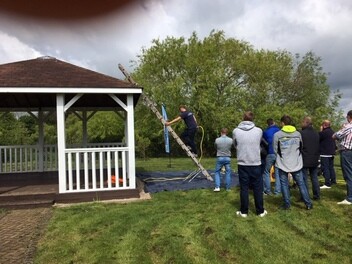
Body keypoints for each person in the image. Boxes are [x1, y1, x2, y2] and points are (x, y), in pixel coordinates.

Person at [273, 115, 313, 210]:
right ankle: (308, 204)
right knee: (301, 183)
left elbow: (275, 150)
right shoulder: (298, 134)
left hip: (283, 163)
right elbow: (301, 147)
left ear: (282, 123)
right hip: (296, 163)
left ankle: (287, 204)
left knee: (284, 184)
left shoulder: (278, 135)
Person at [233, 111, 267, 217]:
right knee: (258, 188)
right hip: (255, 162)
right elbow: (260, 144)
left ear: (243, 118)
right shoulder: (259, 131)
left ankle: (244, 212)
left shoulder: (236, 131)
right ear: (252, 119)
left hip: (243, 162)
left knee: (244, 188)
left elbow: (235, 145)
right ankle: (260, 211)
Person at [332, 110, 352, 205]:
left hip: (347, 152)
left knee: (348, 174)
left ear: (349, 117)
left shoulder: (348, 127)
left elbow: (335, 136)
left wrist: (341, 128)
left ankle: (350, 198)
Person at [300, 116, 320, 200]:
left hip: (305, 158)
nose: (301, 124)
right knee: (314, 178)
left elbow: (300, 146)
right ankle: (316, 195)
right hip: (315, 158)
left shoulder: (302, 133)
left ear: (307, 122)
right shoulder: (316, 133)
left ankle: (305, 196)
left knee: (304, 178)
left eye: (302, 122)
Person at [262, 118, 281, 195]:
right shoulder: (279, 130)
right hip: (279, 153)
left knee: (266, 171)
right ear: (274, 122)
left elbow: (263, 142)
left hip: (270, 152)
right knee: (277, 172)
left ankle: (267, 190)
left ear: (268, 124)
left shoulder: (266, 132)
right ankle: (277, 191)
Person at [319, 120, 337, 189]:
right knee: (331, 167)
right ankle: (333, 180)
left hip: (325, 153)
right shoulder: (332, 132)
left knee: (325, 168)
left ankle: (327, 183)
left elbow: (318, 138)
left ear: (324, 125)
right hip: (331, 152)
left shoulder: (323, 133)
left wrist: (320, 131)